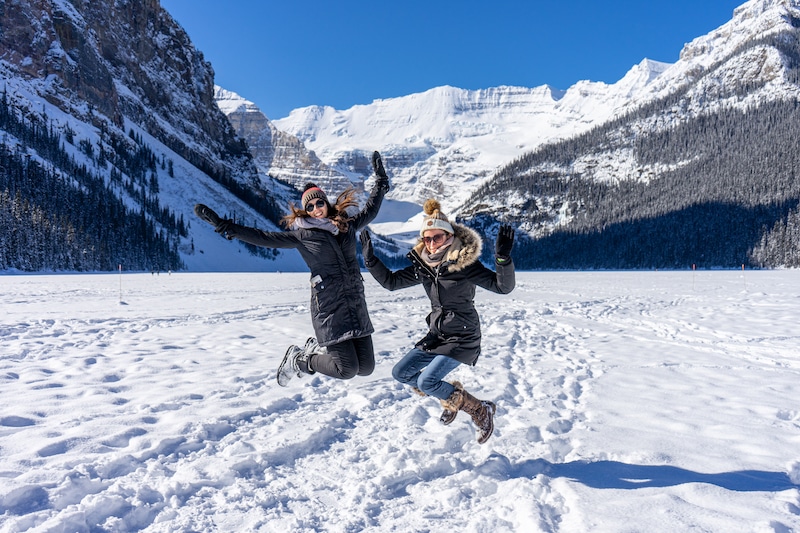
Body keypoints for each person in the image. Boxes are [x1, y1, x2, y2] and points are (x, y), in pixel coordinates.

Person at [194, 151, 390, 386]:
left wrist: (381, 182)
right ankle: (301, 360)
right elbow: (263, 237)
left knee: (366, 368)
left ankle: (309, 354)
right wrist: (226, 226)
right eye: (310, 206)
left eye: (319, 202)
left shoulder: (345, 226)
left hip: (355, 303)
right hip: (330, 308)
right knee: (346, 369)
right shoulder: (302, 236)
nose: (317, 208)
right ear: (305, 211)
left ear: (326, 202)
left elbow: (370, 210)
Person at [360, 199, 515, 444]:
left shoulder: (465, 264)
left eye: (438, 237)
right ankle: (453, 396)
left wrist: (503, 259)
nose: (432, 244)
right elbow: (391, 283)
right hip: (437, 335)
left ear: (450, 236)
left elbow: (502, 286)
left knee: (426, 381)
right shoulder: (424, 266)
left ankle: (479, 410)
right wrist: (371, 261)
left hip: (463, 336)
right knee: (401, 372)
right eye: (428, 239)